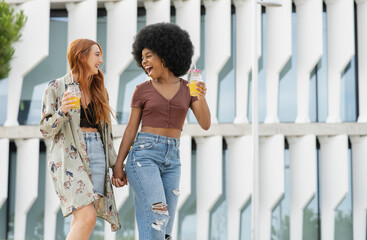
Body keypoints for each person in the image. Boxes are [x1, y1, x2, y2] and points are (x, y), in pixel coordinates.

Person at [112, 22, 211, 239]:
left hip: (172, 159)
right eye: (142, 57)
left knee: (165, 229)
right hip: (143, 157)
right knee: (158, 218)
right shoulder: (141, 91)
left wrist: (201, 97)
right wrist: (118, 166)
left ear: (164, 54)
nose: (144, 61)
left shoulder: (189, 89)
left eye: (148, 56)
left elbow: (205, 123)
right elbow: (130, 130)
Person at [40, 38, 121, 239]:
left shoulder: (99, 90)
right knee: (87, 217)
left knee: (81, 220)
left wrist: (116, 166)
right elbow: (45, 130)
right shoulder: (56, 87)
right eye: (97, 55)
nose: (101, 60)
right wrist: (62, 111)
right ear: (81, 57)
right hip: (69, 158)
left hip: (98, 154)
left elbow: (107, 134)